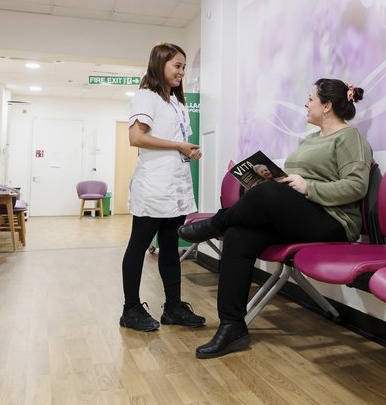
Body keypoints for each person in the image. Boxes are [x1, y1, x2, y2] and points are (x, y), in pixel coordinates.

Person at [179, 78, 373, 358]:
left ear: (327, 105)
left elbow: (357, 186)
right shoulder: (310, 139)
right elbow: (300, 179)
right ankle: (232, 327)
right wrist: (277, 178)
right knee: (238, 236)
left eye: (311, 99)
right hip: (302, 216)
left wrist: (309, 187)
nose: (306, 104)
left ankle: (215, 224)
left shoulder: (349, 138)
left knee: (266, 196)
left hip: (333, 222)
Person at [120, 42, 206, 332]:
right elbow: (136, 137)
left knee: (170, 246)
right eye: (177, 66)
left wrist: (188, 150)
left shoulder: (177, 103)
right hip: (154, 186)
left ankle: (173, 308)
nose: (182, 72)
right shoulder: (146, 97)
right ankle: (130, 309)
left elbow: (176, 142)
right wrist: (178, 145)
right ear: (160, 65)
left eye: (184, 66)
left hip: (176, 185)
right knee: (139, 246)